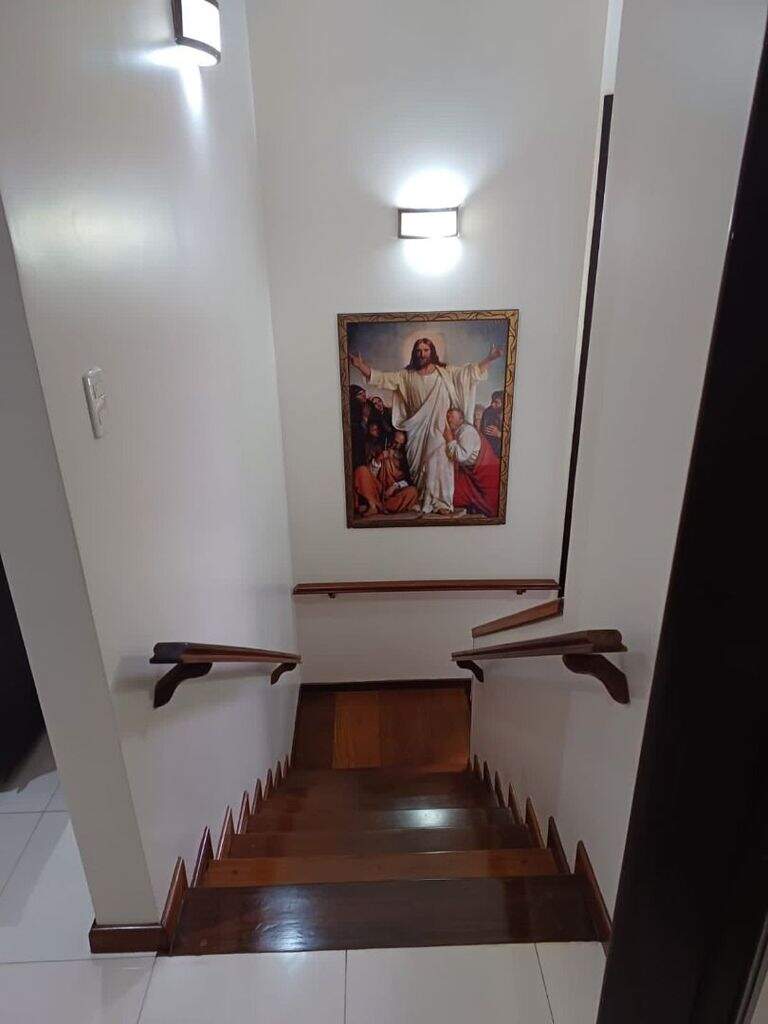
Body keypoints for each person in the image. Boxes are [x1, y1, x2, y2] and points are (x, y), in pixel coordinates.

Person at [349, 337, 503, 514]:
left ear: (432, 352)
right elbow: (382, 378)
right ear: (414, 353)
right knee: (418, 469)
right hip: (416, 432)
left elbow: (468, 373)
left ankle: (442, 503)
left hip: (440, 429)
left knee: (440, 463)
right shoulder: (406, 375)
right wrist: (360, 365)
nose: (422, 354)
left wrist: (490, 358)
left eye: (426, 350)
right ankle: (422, 499)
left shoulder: (445, 372)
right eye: (418, 351)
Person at [444, 407, 501, 518]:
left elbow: (461, 455)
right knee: (456, 494)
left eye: (452, 416)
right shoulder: (457, 430)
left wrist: (450, 440)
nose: (449, 419)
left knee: (490, 503)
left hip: (485, 471)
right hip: (470, 472)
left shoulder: (467, 431)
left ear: (461, 419)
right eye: (448, 416)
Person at [353, 435, 418, 517]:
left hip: (394, 493)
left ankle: (378, 506)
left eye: (400, 444)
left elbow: (408, 480)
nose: (396, 446)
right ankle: (373, 505)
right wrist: (378, 459)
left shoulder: (405, 458)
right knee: (361, 470)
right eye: (395, 442)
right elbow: (372, 474)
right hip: (378, 489)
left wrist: (394, 487)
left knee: (412, 492)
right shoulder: (381, 450)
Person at [480, 390, 504, 458]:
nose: (492, 404)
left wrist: (499, 434)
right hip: (488, 448)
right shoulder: (488, 412)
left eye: (496, 402)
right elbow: (483, 430)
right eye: (492, 401)